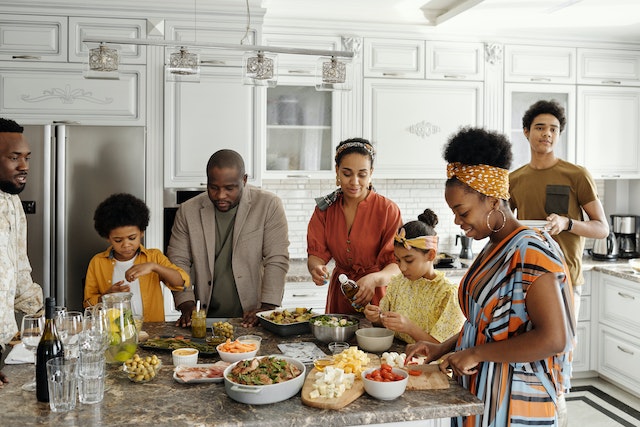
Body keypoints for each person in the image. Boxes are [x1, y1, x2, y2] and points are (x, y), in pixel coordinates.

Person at [406, 127, 576, 427]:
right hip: (482, 391)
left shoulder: (531, 251)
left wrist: (476, 354)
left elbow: (555, 338)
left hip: (515, 401)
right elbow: (488, 325)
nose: (458, 222)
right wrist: (442, 348)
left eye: (462, 211)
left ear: (494, 201)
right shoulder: (494, 246)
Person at [167, 149, 290, 328]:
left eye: (229, 188)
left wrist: (267, 308)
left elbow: (276, 259)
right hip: (206, 318)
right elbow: (178, 261)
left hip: (253, 317)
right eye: (214, 187)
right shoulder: (188, 211)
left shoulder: (268, 205)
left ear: (244, 180)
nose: (220, 196)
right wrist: (186, 303)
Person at [510, 99, 609, 317]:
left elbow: (602, 229)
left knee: (563, 349)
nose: (547, 133)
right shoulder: (514, 179)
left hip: (565, 278)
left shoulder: (577, 175)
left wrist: (567, 223)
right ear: (526, 132)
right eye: (540, 127)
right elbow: (504, 226)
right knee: (528, 349)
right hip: (527, 278)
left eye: (553, 129)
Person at [307, 138, 402, 314]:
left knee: (375, 340)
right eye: (347, 173)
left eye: (362, 174)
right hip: (340, 294)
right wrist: (316, 268)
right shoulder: (324, 210)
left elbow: (397, 265)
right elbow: (316, 254)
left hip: (378, 296)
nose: (354, 182)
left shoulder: (388, 210)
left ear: (371, 173)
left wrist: (374, 279)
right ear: (337, 171)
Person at [83, 193, 190, 322]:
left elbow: (182, 282)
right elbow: (88, 304)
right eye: (118, 240)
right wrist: (107, 297)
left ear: (142, 232)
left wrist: (154, 267)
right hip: (113, 332)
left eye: (132, 238)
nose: (126, 245)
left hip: (151, 332)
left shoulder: (153, 257)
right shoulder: (97, 262)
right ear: (107, 238)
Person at [363, 209, 464, 344]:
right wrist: (376, 318)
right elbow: (384, 326)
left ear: (431, 255)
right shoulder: (398, 283)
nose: (402, 268)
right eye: (398, 260)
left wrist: (409, 328)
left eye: (409, 260)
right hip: (396, 358)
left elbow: (442, 347)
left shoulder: (448, 295)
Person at [0, 118, 44, 387]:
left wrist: (48, 319)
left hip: (4, 344)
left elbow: (19, 273)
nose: (24, 166)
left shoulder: (13, 203)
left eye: (26, 157)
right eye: (13, 157)